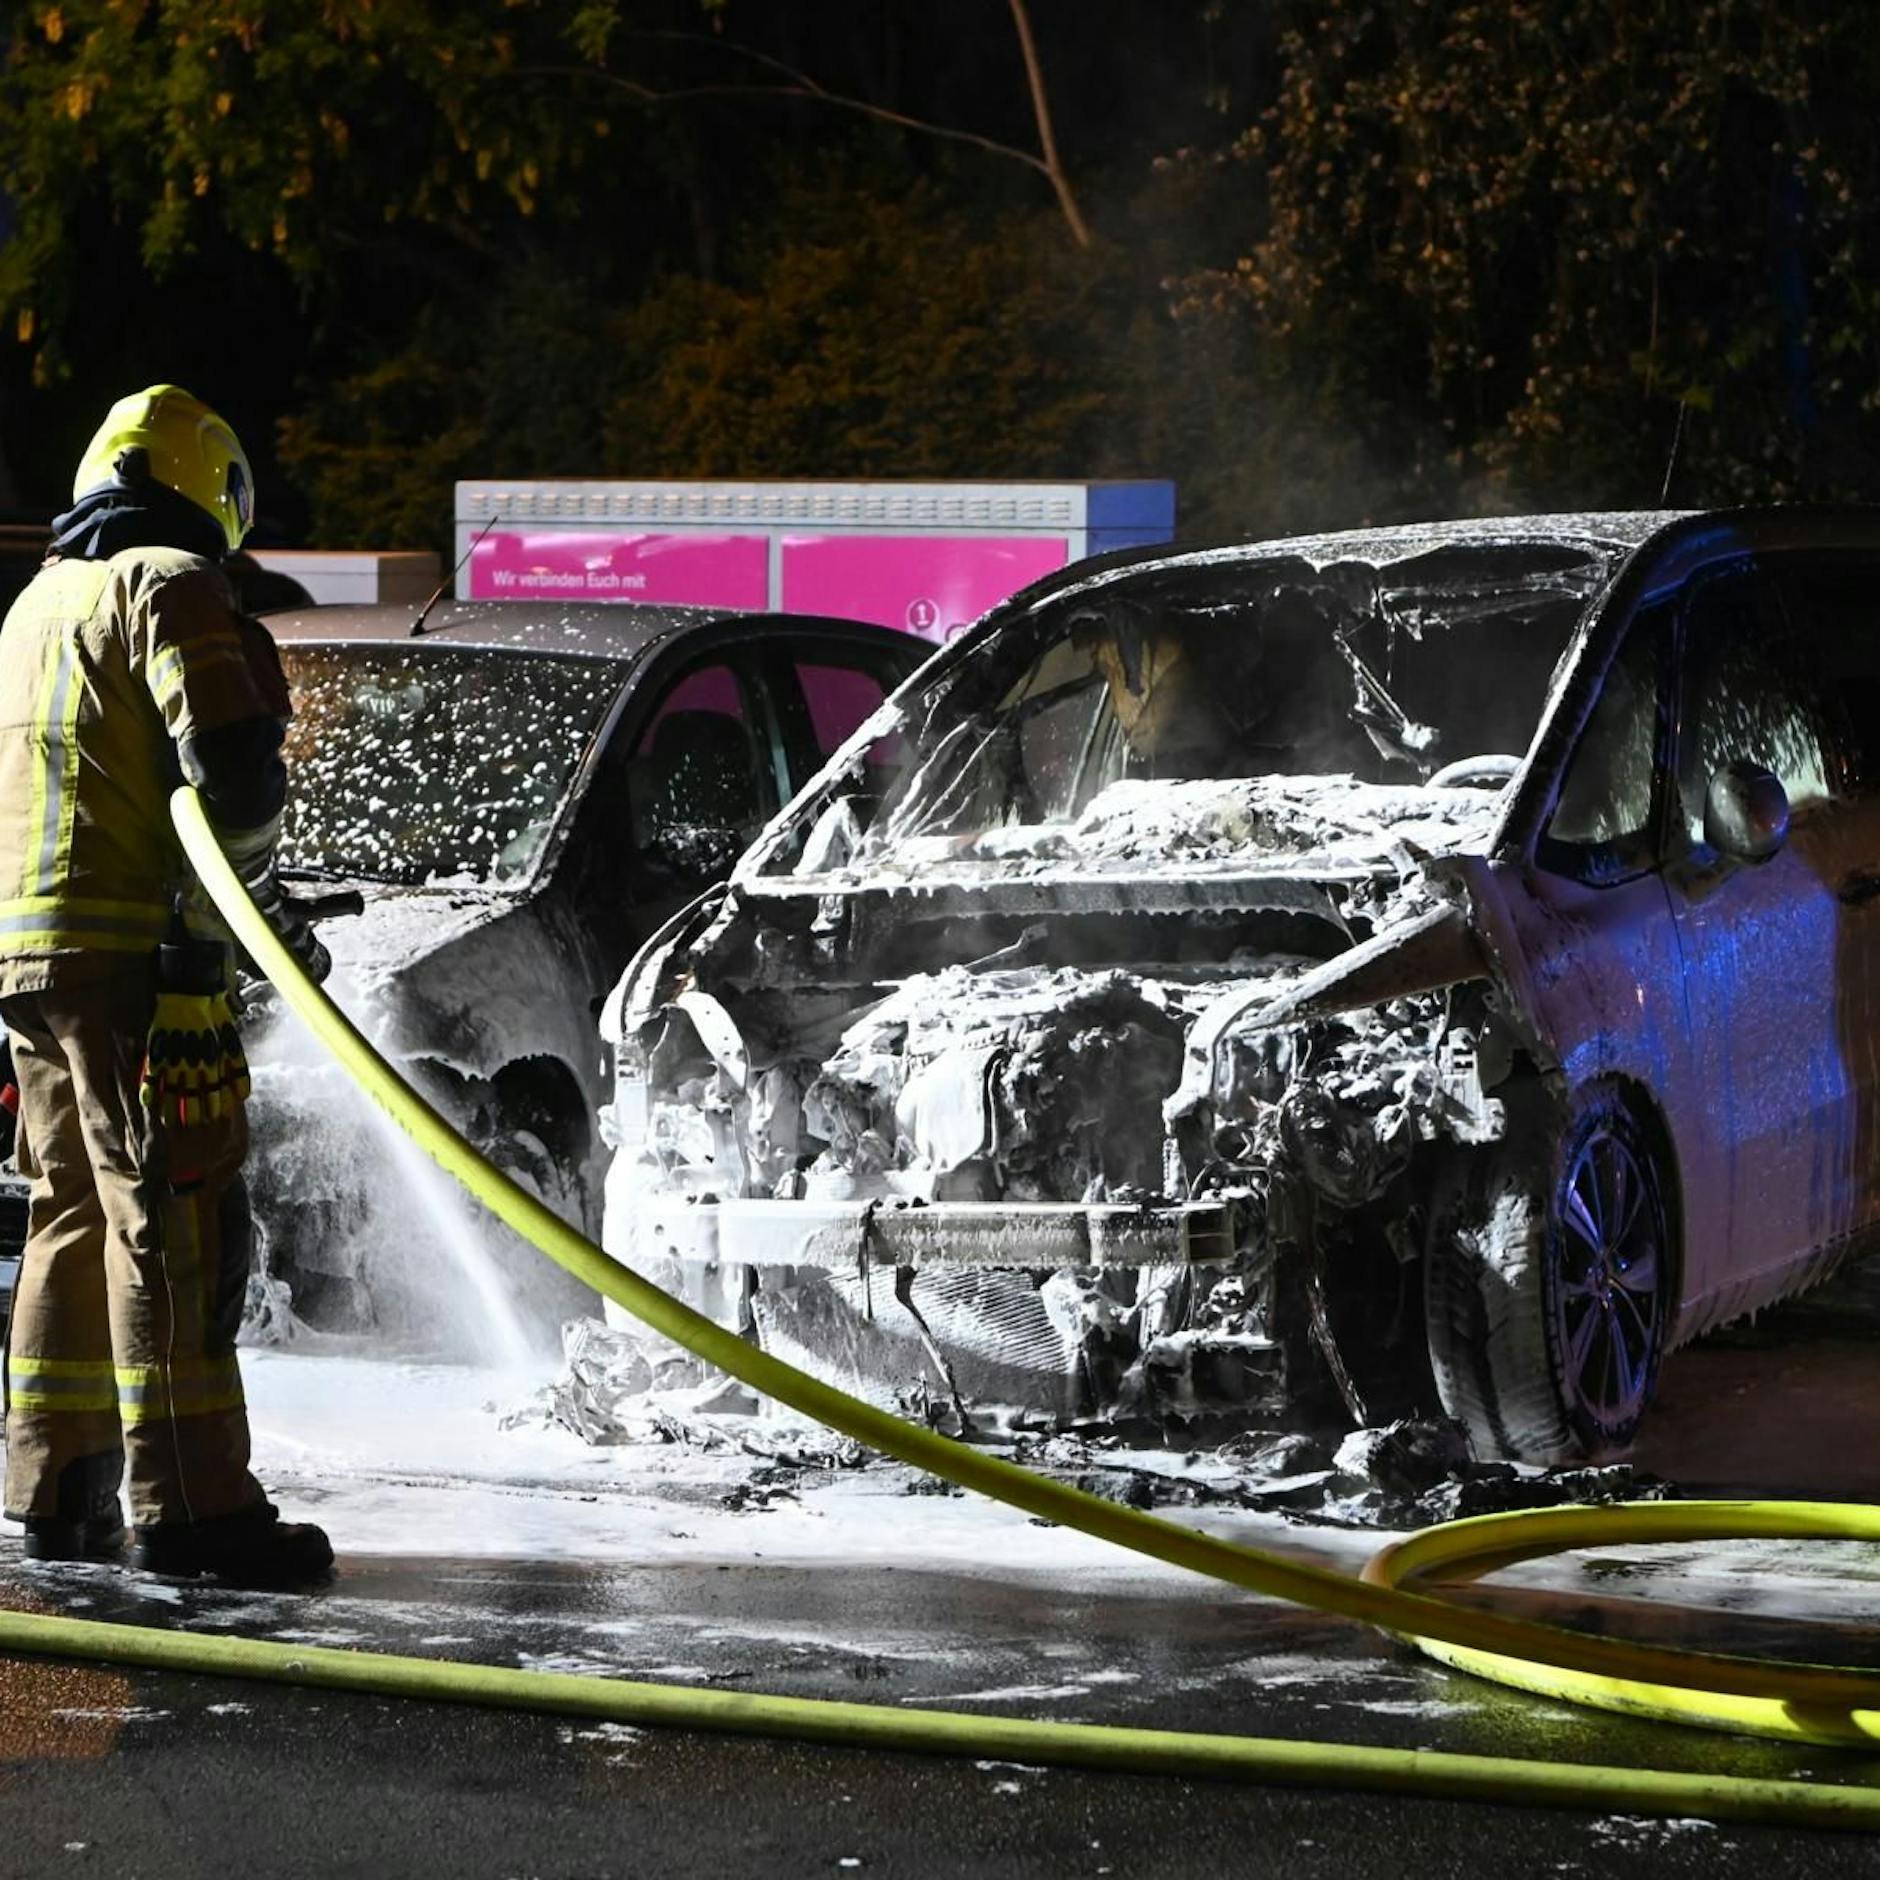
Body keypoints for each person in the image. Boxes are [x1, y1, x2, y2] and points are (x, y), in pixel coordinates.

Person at [0, 385, 334, 1585]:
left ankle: (55, 1489)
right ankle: (192, 1509)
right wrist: (259, 913)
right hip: (144, 959)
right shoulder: (170, 584)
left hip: (31, 960)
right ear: (210, 487)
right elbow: (232, 777)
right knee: (170, 1215)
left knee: (69, 1210)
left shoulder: (38, 602)